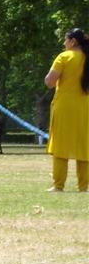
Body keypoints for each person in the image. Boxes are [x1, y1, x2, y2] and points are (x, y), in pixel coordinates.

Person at [44, 27, 88, 192]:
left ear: (73, 41)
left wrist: (48, 78)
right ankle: (84, 186)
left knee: (61, 145)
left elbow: (49, 82)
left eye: (65, 40)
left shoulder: (64, 57)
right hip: (85, 107)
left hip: (65, 106)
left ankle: (58, 185)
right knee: (84, 145)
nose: (64, 43)